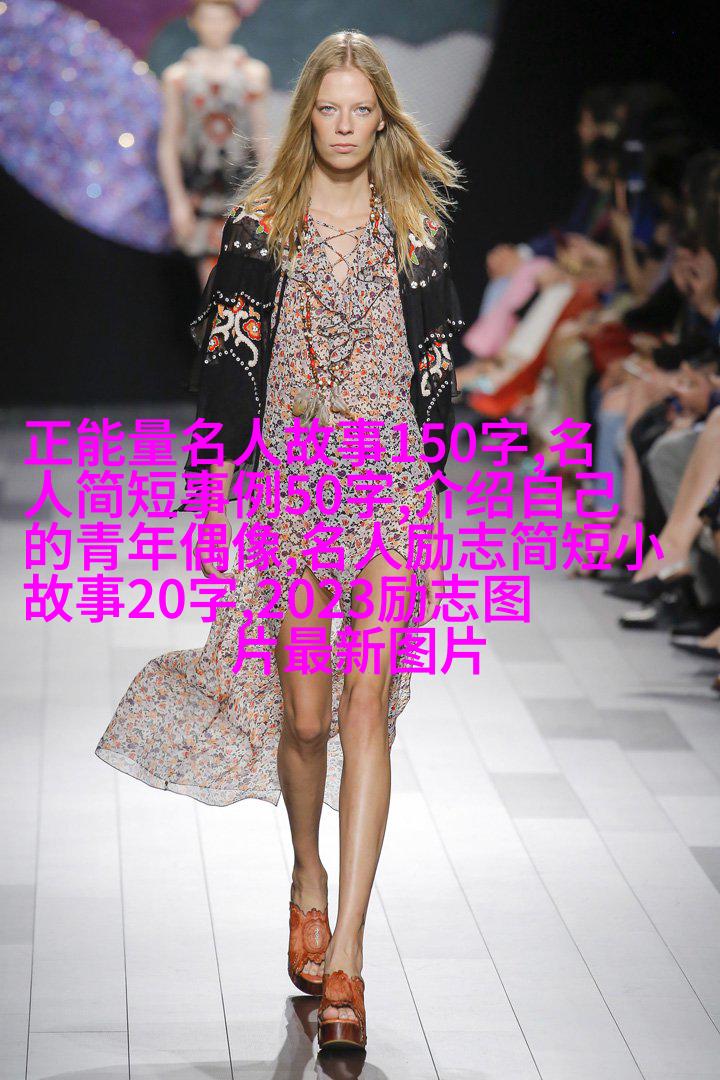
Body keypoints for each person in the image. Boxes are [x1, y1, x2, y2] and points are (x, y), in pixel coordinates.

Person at [96, 30, 466, 1052]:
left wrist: (437, 493)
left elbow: (438, 366)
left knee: (364, 708)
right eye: (329, 109)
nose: (345, 126)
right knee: (305, 720)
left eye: (361, 110)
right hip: (295, 487)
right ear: (308, 116)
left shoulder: (416, 226)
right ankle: (307, 870)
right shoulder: (262, 224)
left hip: (390, 484)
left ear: (383, 120)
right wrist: (211, 496)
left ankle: (347, 954)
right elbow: (227, 363)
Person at [158, 0, 272, 286]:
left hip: (244, 189)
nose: (215, 26)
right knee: (209, 282)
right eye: (208, 18)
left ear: (235, 20)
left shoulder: (253, 74)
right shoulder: (178, 77)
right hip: (202, 191)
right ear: (193, 21)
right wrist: (177, 201)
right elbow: (169, 144)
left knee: (246, 279)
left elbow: (262, 138)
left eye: (221, 18)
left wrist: (271, 191)